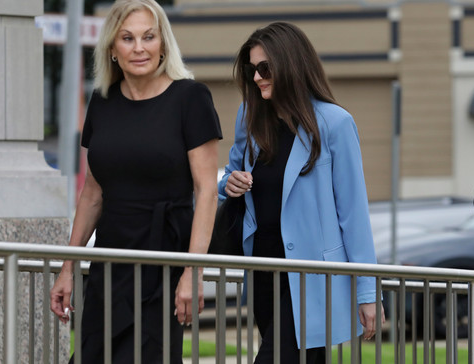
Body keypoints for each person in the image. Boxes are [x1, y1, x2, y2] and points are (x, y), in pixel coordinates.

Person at [49, 0, 221, 362]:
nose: (139, 48)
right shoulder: (102, 101)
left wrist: (193, 272)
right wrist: (68, 267)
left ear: (163, 43)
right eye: (127, 38)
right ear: (112, 48)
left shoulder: (190, 98)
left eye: (148, 37)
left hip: (162, 264)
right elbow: (92, 193)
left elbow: (206, 192)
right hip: (109, 263)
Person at [218, 22, 383, 363]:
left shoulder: (335, 123)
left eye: (265, 68)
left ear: (290, 64)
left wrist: (368, 291)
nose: (257, 77)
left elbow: (353, 214)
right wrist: (229, 184)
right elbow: (229, 178)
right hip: (263, 272)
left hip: (312, 281)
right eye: (252, 70)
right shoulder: (249, 117)